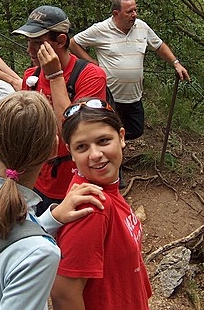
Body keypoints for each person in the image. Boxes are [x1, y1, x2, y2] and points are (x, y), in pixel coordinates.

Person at [0, 91, 107, 310]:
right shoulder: (41, 254)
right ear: (54, 149)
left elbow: (4, 239)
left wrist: (52, 218)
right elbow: (19, 246)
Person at [51, 98, 152, 310]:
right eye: (82, 147)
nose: (95, 155)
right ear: (70, 152)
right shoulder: (91, 207)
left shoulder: (105, 190)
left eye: (103, 141)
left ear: (121, 137)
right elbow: (64, 293)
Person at [13, 6, 108, 215]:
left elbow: (72, 134)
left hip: (73, 184)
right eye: (28, 42)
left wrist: (55, 76)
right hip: (36, 180)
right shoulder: (31, 76)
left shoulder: (91, 76)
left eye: (38, 42)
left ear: (61, 41)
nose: (30, 50)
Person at [69, 0, 190, 140]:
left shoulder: (142, 27)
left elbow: (159, 46)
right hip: (110, 96)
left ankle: (117, 145)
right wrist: (92, 63)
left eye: (135, 10)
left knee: (135, 130)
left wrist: (176, 63)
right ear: (116, 13)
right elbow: (74, 43)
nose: (134, 14)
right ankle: (114, 151)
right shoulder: (101, 29)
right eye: (129, 11)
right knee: (109, 131)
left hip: (134, 96)